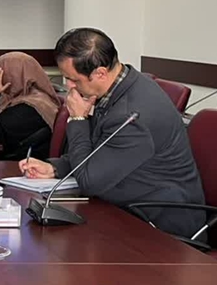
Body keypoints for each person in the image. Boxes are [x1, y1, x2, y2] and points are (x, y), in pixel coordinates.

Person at [20, 28, 205, 239]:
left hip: (161, 226)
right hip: (125, 208)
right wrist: (55, 168)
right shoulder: (120, 88)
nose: (69, 86)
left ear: (100, 73)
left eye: (74, 80)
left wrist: (78, 119)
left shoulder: (132, 115)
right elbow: (101, 152)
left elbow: (90, 182)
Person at [0, 52, 61, 159]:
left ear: (14, 75)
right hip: (6, 157)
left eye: (0, 74)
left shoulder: (33, 106)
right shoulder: (11, 98)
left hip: (19, 163)